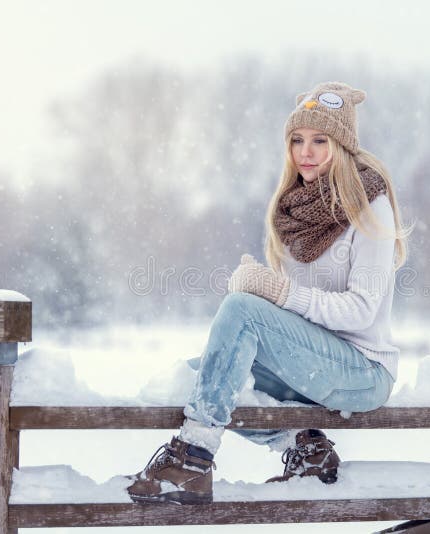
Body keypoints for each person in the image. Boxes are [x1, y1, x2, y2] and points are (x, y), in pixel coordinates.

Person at [126, 81, 409, 505]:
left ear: (342, 144)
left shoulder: (369, 205)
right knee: (202, 373)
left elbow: (361, 313)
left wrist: (272, 295)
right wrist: (264, 296)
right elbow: (290, 316)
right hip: (313, 364)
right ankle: (303, 446)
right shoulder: (292, 211)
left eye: (319, 140)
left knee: (241, 315)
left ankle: (193, 458)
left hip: (362, 371)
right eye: (297, 140)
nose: (305, 152)